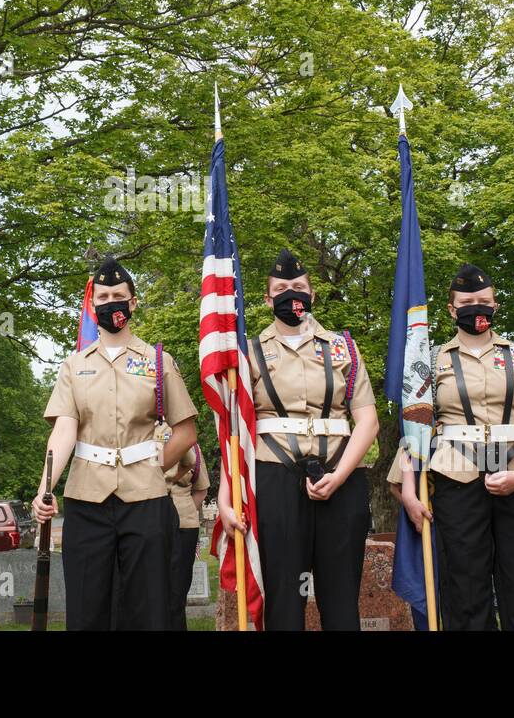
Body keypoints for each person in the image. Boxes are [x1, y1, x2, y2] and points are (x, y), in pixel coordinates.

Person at [391, 263, 514, 630]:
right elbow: (415, 426)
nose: (476, 308)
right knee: (465, 588)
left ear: (496, 305)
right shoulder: (430, 362)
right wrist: (407, 487)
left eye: (484, 301)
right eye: (466, 302)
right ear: (451, 309)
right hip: (456, 477)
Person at [33, 256, 197, 630]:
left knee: (148, 608)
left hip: (146, 498)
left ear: (133, 302)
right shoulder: (73, 366)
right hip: (86, 498)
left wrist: (154, 468)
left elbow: (186, 431)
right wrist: (45, 488)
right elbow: (64, 430)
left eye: (118, 295)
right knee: (87, 607)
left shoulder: (159, 361)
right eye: (103, 296)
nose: (111, 303)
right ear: (93, 306)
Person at [218, 248, 379, 631]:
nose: (292, 294)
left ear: (312, 295)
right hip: (274, 479)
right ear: (267, 298)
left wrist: (338, 477)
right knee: (284, 603)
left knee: (341, 601)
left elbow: (368, 419)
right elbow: (232, 429)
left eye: (299, 287)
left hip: (340, 478)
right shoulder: (248, 352)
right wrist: (226, 496)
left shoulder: (344, 348)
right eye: (282, 288)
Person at [165, 440, 210, 629]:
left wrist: (185, 511)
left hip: (184, 525)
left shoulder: (192, 447)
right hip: (147, 521)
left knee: (177, 593)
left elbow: (201, 489)